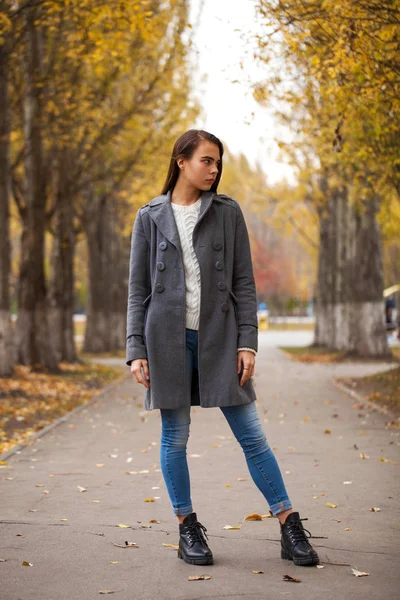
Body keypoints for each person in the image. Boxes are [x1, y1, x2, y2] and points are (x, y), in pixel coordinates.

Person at [126, 129, 319, 567]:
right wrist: (136, 347)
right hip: (165, 342)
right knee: (175, 437)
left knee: (252, 434)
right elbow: (137, 290)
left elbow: (244, 283)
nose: (214, 170)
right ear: (181, 161)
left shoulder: (228, 213)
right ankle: (187, 527)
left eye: (218, 162)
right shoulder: (149, 216)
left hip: (220, 337)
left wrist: (247, 342)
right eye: (206, 161)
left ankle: (289, 525)